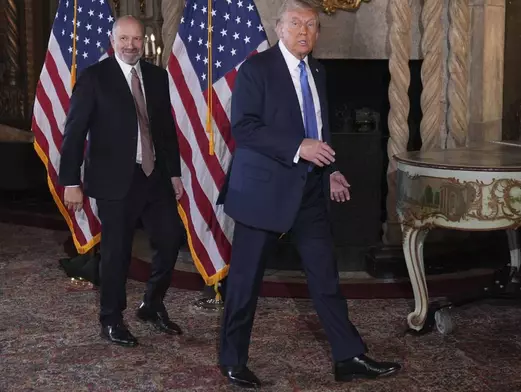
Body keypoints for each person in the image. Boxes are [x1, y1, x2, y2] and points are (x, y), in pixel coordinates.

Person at [217, 0, 401, 388]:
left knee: (325, 278)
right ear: (280, 28)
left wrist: (330, 169)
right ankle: (232, 360)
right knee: (245, 283)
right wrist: (299, 146)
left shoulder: (317, 70)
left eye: (312, 25)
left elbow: (321, 129)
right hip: (262, 196)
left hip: (309, 193)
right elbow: (245, 128)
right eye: (296, 23)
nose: (305, 31)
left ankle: (348, 356)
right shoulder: (256, 68)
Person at [59, 15, 184, 347]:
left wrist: (174, 173)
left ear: (145, 42)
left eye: (137, 39)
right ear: (112, 40)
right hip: (115, 180)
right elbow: (73, 134)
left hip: (154, 176)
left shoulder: (158, 77)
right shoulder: (93, 78)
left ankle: (152, 304)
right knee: (117, 253)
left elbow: (165, 132)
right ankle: (111, 319)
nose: (131, 45)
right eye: (124, 39)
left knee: (171, 238)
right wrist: (71, 180)